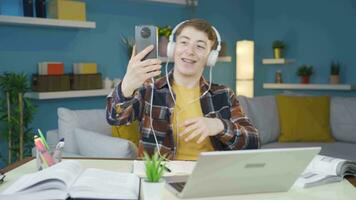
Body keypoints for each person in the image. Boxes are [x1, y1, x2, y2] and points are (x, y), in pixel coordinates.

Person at [106, 19, 260, 160]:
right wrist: (127, 85)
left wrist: (219, 125)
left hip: (209, 178)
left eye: (200, 46)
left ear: (210, 57)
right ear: (173, 48)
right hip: (160, 177)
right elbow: (114, 117)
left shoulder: (223, 94)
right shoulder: (149, 89)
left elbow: (253, 142)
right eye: (184, 42)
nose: (190, 51)